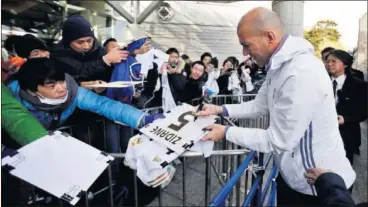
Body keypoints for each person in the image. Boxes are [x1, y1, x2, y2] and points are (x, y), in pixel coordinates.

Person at [198, 7, 355, 206]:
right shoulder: (279, 66)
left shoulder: (300, 73)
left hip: (316, 189)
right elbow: (259, 105)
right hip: (294, 177)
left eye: (246, 45)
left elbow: (278, 140)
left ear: (270, 37)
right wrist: (220, 109)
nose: (244, 52)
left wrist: (226, 132)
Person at [7, 58, 160, 130]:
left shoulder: (74, 92)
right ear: (32, 91)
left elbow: (104, 105)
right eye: (51, 86)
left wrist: (141, 119)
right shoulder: (10, 98)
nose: (61, 88)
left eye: (62, 81)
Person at [325, 49, 368, 164]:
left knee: (344, 172)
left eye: (334, 61)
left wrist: (346, 119)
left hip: (346, 136)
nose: (329, 64)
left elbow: (364, 112)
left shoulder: (360, 86)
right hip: (322, 135)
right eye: (327, 61)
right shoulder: (320, 83)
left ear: (345, 64)